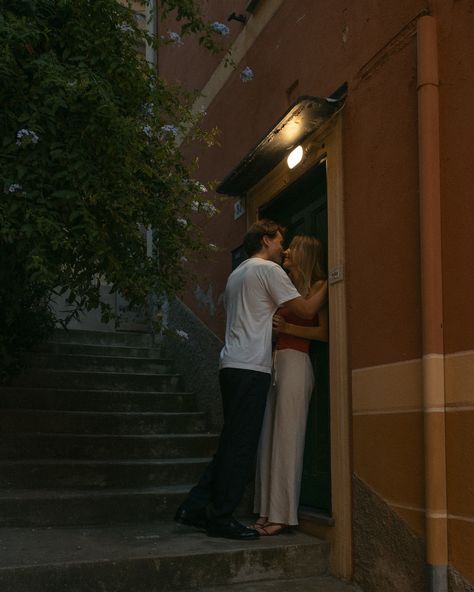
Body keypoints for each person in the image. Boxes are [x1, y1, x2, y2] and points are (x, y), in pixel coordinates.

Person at [174, 220, 328, 540]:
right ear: (265, 240)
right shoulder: (269, 271)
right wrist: (333, 279)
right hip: (250, 368)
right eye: (279, 241)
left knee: (231, 442)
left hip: (229, 365)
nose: (283, 248)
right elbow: (304, 306)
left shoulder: (237, 274)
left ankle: (195, 505)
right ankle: (221, 516)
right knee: (241, 446)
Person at [253, 235, 329, 536]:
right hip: (274, 362)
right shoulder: (288, 289)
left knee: (288, 437)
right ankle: (265, 508)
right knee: (268, 437)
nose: (285, 251)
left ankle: (283, 514)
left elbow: (323, 332)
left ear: (305, 253)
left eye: (291, 248)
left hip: (297, 362)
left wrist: (288, 328)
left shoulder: (320, 286)